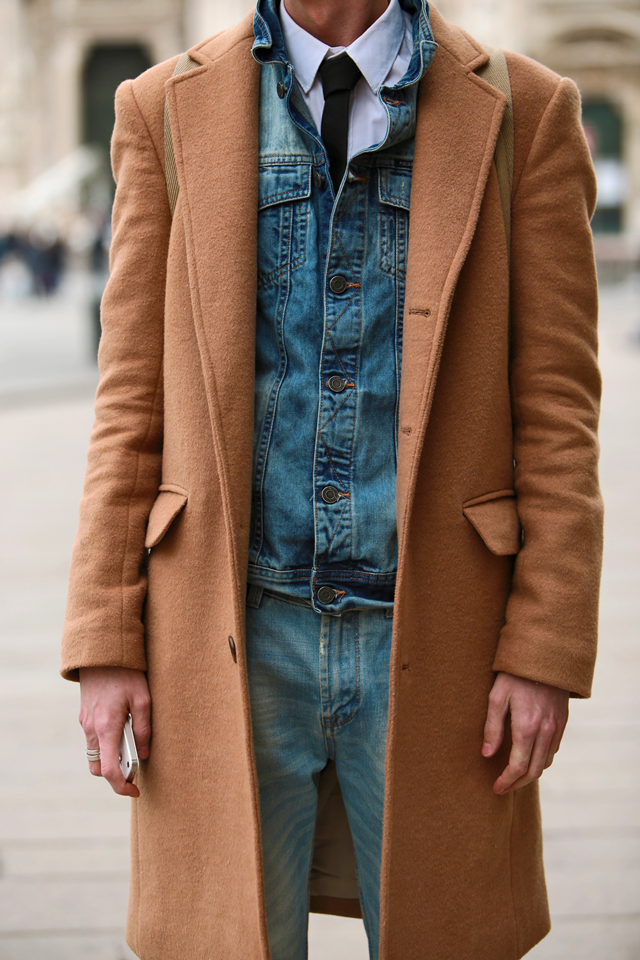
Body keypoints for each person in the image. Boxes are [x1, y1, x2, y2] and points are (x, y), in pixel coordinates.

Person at [61, 1, 603, 958]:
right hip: (231, 635)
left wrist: (546, 645)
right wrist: (106, 634)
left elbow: (557, 417)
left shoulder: (528, 111)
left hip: (441, 642)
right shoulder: (162, 108)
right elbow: (129, 400)